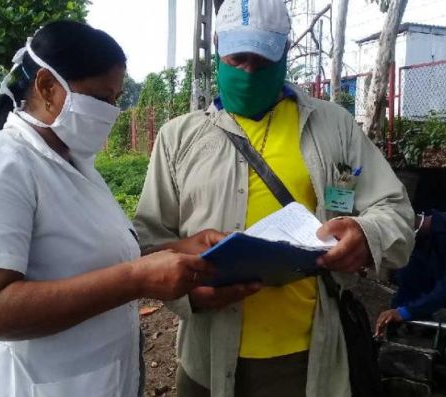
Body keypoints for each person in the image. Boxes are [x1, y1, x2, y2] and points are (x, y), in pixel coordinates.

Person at [133, 0, 414, 395]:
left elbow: (396, 211)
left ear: (285, 49)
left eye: (262, 60)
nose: (248, 71)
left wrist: (366, 234)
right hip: (205, 358)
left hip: (306, 360)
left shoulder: (333, 126)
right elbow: (148, 242)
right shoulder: (178, 138)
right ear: (216, 46)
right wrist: (188, 291)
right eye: (237, 58)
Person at [0, 21, 222, 397]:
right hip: (20, 385)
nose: (112, 112)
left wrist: (177, 250)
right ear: (46, 86)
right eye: (101, 98)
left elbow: (90, 260)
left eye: (117, 99)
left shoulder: (75, 166)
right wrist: (137, 279)